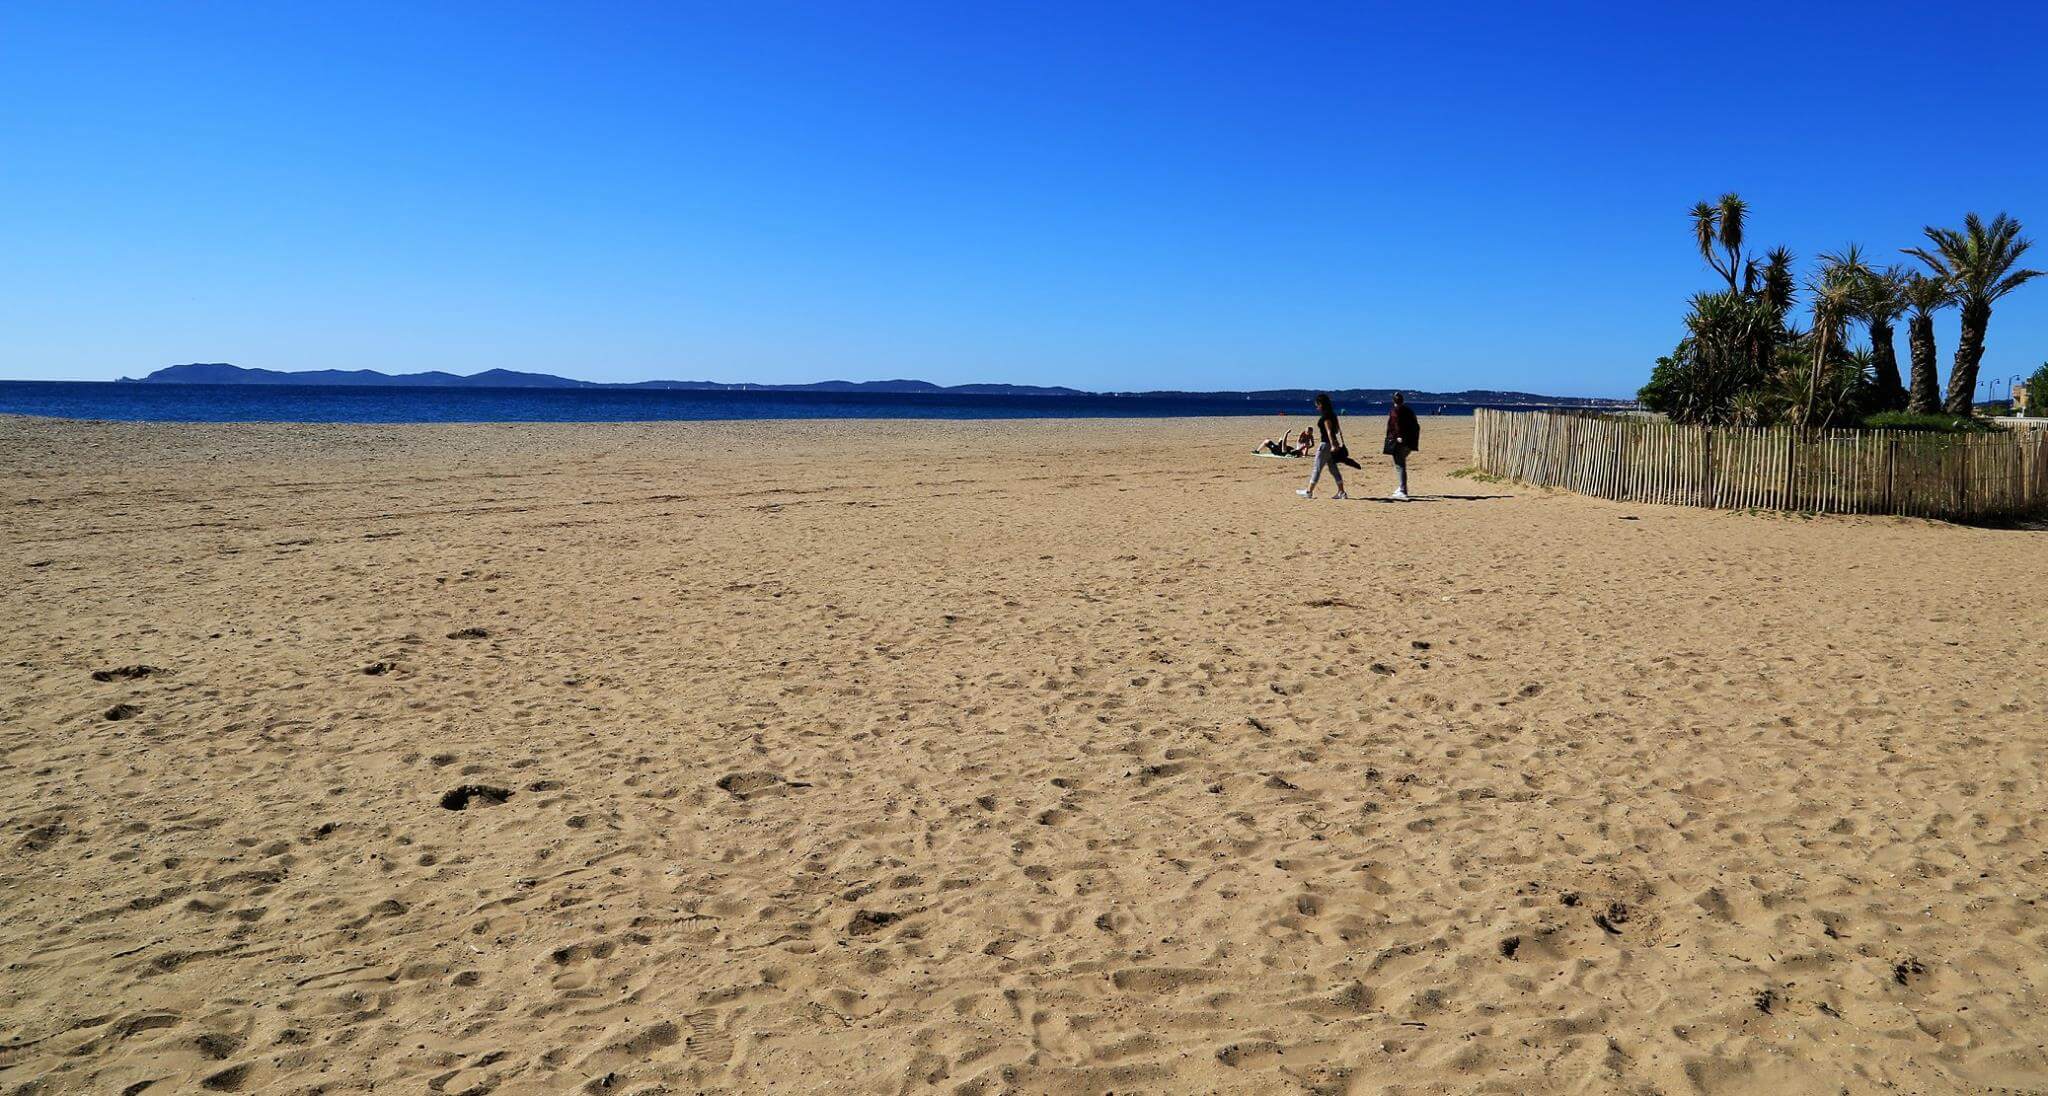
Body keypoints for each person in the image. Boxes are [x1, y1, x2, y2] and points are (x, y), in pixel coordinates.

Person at [1296, 393, 1353, 499]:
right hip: (1333, 444)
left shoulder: (1326, 416)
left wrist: (1332, 444)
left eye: (1317, 404)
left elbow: (1329, 431)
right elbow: (1336, 430)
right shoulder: (1333, 414)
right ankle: (1341, 492)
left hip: (1326, 445)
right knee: (1333, 469)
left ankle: (1309, 492)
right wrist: (1335, 444)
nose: (1316, 406)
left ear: (1321, 404)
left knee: (1317, 468)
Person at [1384, 392, 1421, 500]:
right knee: (1401, 464)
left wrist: (1399, 436)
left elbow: (1396, 424)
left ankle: (1403, 490)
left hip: (1400, 441)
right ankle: (1401, 487)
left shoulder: (1395, 411)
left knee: (1400, 465)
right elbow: (1416, 425)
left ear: (1393, 401)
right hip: (1409, 442)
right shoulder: (1409, 411)